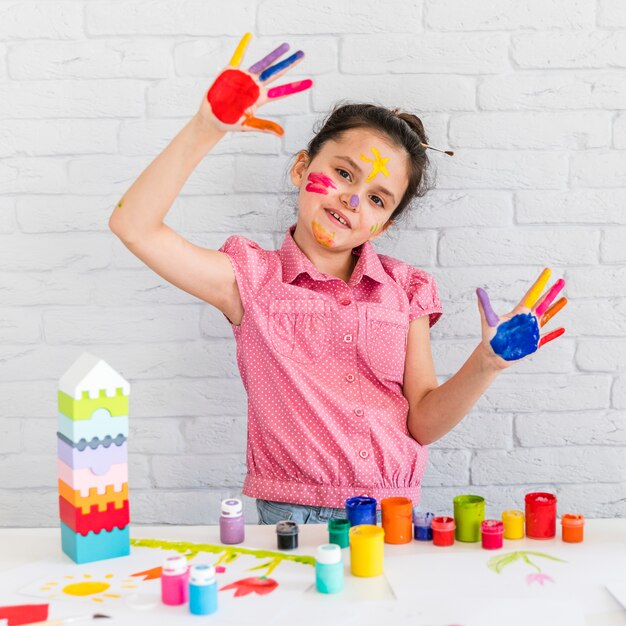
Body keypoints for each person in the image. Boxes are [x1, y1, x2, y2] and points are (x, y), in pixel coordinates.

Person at [109, 35, 566, 525]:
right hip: (293, 516)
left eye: (376, 199)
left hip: (394, 515)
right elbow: (133, 226)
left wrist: (487, 363)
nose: (352, 201)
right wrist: (207, 128)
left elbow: (424, 422)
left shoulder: (404, 290)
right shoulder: (250, 278)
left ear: (385, 224)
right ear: (302, 168)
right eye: (344, 173)